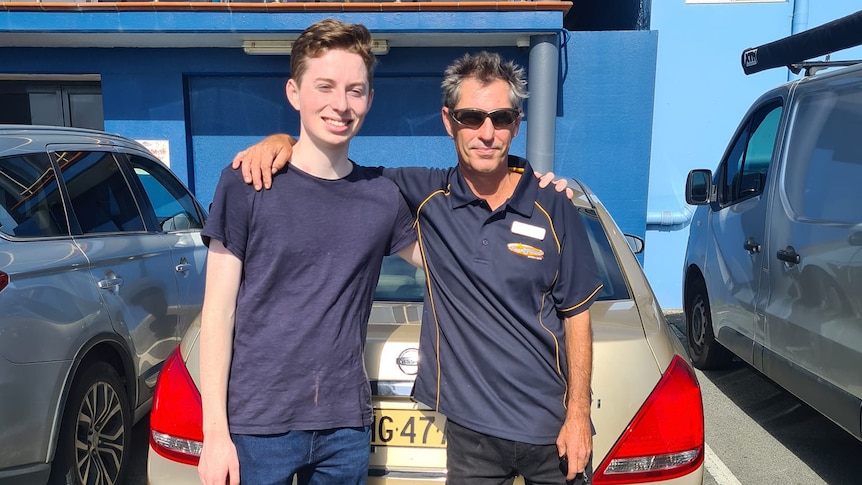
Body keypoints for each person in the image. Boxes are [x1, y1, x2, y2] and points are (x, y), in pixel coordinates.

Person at [234, 51, 602, 485]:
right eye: (471, 117)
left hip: (551, 428)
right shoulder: (424, 194)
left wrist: (578, 413)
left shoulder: (553, 203)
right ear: (449, 121)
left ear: (516, 124)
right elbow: (336, 172)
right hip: (472, 435)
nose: (487, 133)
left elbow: (577, 314)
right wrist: (283, 141)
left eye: (501, 118)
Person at [197, 18, 420, 485]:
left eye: (355, 90)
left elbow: (452, 263)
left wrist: (528, 188)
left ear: (370, 100)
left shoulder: (381, 197)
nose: (341, 105)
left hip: (345, 427)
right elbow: (216, 315)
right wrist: (214, 434)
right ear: (294, 93)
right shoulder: (245, 185)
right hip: (257, 429)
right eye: (325, 87)